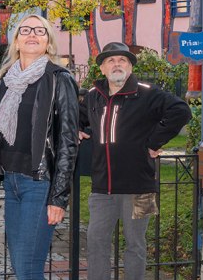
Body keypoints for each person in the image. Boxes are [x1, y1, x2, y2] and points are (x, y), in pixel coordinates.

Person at [0, 14, 80, 280]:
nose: (32, 34)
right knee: (21, 266)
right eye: (25, 30)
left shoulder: (60, 78)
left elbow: (68, 142)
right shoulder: (5, 82)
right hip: (11, 182)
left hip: (39, 184)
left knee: (28, 268)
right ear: (16, 41)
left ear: (48, 42)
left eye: (40, 30)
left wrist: (58, 197)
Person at [78, 42, 191, 280]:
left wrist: (154, 142)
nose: (116, 64)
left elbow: (181, 111)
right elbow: (76, 117)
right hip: (102, 189)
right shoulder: (92, 97)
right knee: (96, 243)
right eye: (111, 60)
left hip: (141, 188)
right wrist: (77, 128)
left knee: (136, 246)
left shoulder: (147, 92)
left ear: (130, 66)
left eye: (122, 60)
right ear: (102, 69)